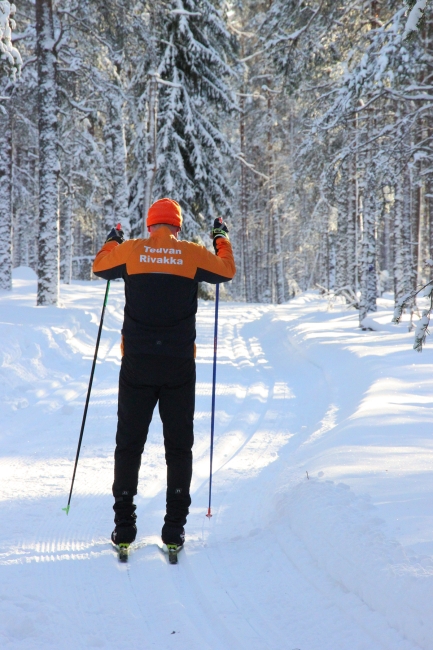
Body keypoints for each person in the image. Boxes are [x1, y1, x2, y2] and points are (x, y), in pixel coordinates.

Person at [92, 198, 236, 552]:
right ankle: (174, 530)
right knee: (178, 448)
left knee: (129, 446)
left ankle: (124, 527)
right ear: (177, 227)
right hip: (178, 367)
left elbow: (100, 268)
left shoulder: (131, 251)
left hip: (137, 365)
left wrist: (112, 240)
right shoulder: (191, 254)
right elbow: (226, 271)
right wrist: (221, 237)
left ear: (149, 225)